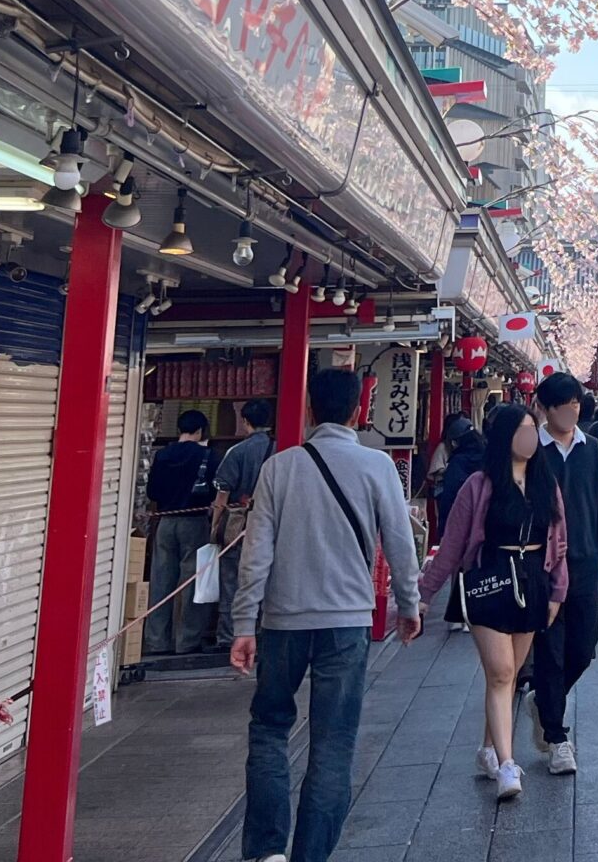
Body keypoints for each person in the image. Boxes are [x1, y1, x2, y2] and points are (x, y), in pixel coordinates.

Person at [230, 366, 421, 862]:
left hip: (283, 621)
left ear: (310, 410)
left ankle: (267, 850)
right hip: (347, 621)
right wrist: (408, 603)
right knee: (333, 742)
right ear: (359, 412)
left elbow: (256, 554)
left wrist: (244, 623)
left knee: (269, 728)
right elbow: (400, 543)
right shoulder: (378, 467)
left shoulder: (279, 468)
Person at [421, 403, 567, 801]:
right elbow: (452, 546)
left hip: (532, 580)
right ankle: (507, 765)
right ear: (504, 438)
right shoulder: (478, 485)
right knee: (502, 672)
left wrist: (557, 591)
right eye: (521, 431)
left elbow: (559, 543)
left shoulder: (545, 482)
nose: (529, 439)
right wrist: (424, 594)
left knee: (509, 674)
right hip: (489, 580)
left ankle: (488, 748)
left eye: (532, 431)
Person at [530, 372, 598, 777]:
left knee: (583, 649)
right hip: (543, 567)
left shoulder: (592, 450)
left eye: (575, 404)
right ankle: (557, 737)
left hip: (584, 563)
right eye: (564, 405)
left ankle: (544, 701)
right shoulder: (532, 450)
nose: (571, 411)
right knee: (549, 651)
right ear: (544, 409)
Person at [145, 409, 218, 656]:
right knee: (192, 582)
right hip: (195, 522)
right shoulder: (207, 455)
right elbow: (215, 490)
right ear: (200, 431)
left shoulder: (163, 455)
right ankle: (187, 640)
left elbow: (152, 492)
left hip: (165, 522)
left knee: (161, 580)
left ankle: (157, 641)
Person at [209, 399, 276, 649]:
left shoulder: (236, 452)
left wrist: (215, 527)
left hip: (238, 526)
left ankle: (229, 636)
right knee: (268, 581)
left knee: (232, 583)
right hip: (273, 526)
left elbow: (222, 495)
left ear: (245, 421)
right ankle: (262, 632)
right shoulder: (282, 450)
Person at [429, 414, 484, 633]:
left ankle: (458, 615)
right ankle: (474, 612)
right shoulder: (488, 458)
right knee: (478, 567)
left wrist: (445, 529)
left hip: (461, 521)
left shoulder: (458, 462)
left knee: (458, 568)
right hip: (483, 522)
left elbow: (450, 497)